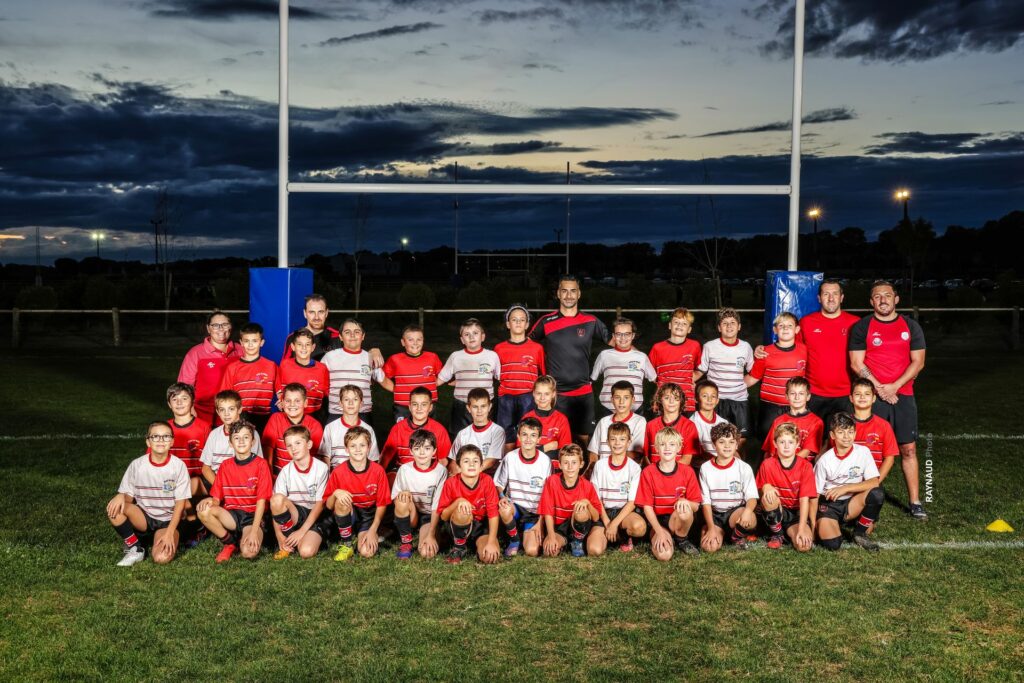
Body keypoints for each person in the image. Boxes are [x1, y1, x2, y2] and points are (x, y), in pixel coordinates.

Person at [848, 280, 928, 520]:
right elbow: (856, 363)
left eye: (887, 295)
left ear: (896, 299)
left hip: (902, 395)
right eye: (877, 296)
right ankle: (862, 496)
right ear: (871, 302)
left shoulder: (910, 326)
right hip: (873, 397)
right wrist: (880, 389)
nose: (883, 300)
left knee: (908, 448)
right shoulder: (863, 327)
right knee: (866, 448)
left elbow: (918, 362)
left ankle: (915, 501)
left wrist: (894, 386)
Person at [529, 275, 610, 448]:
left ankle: (584, 473)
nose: (568, 295)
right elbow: (526, 344)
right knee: (554, 441)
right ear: (558, 293)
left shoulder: (591, 321)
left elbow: (617, 341)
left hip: (582, 393)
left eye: (573, 291)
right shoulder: (546, 321)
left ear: (579, 294)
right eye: (564, 291)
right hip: (556, 395)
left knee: (583, 441)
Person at [106, 422, 190, 566]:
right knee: (114, 508)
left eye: (165, 437)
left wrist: (170, 532)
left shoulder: (178, 466)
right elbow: (128, 497)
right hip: (144, 518)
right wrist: (120, 495)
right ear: (148, 441)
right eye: (155, 436)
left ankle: (156, 538)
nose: (160, 441)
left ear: (172, 441)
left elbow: (180, 503)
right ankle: (135, 547)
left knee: (161, 558)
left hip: (167, 520)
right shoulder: (137, 465)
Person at [196, 420, 273, 563]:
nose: (241, 441)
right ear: (231, 443)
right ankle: (230, 543)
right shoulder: (225, 465)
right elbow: (216, 499)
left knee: (249, 553)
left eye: (246, 437)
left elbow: (261, 502)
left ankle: (245, 537)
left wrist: (255, 532)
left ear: (253, 441)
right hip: (232, 516)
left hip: (252, 517)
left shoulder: (261, 465)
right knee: (203, 510)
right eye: (237, 438)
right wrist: (209, 500)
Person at [814, 412, 884, 551]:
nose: (846, 437)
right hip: (829, 506)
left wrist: (845, 488)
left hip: (851, 503)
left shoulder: (863, 451)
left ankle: (860, 533)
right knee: (833, 544)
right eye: (841, 432)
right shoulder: (824, 460)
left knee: (877, 493)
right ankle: (829, 524)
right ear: (833, 435)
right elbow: (814, 495)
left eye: (850, 432)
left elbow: (874, 482)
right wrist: (810, 524)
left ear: (855, 433)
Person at [323, 426, 391, 561]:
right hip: (350, 513)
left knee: (366, 552)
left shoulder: (378, 471)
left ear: (369, 447)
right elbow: (330, 506)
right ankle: (347, 543)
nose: (358, 449)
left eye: (362, 445)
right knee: (341, 501)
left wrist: (373, 529)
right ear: (346, 449)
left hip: (368, 516)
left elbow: (382, 504)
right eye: (353, 446)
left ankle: (374, 533)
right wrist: (336, 492)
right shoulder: (339, 471)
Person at [635, 427, 702, 560]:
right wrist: (659, 532)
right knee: (664, 556)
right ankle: (665, 538)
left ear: (678, 448)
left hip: (677, 518)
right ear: (656, 448)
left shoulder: (687, 471)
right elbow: (647, 507)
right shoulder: (648, 472)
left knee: (685, 509)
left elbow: (696, 505)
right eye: (662, 444)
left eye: (672, 444)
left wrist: (686, 501)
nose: (667, 448)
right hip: (657, 522)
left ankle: (682, 539)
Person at [269, 426, 330, 560]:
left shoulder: (321, 468)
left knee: (306, 552)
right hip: (295, 514)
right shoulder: (286, 471)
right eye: (289, 445)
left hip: (315, 515)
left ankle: (303, 539)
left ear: (309, 444)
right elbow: (275, 507)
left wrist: (302, 532)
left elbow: (320, 505)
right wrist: (279, 536)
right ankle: (287, 540)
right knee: (277, 499)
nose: (293, 448)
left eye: (298, 443)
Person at [494, 418, 552, 558]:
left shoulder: (545, 461)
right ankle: (514, 540)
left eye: (533, 435)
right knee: (505, 508)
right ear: (518, 437)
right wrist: (503, 498)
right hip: (516, 508)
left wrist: (540, 523)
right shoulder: (510, 457)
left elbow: (548, 496)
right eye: (524, 434)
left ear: (539, 439)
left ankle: (524, 534)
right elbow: (498, 484)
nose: (528, 439)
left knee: (531, 551)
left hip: (534, 513)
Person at [745, 312, 807, 441]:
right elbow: (752, 378)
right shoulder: (765, 353)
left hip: (795, 406)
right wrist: (728, 387)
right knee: (767, 442)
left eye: (789, 325)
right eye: (781, 325)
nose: (785, 328)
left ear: (797, 329)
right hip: (770, 407)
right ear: (774, 329)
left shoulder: (804, 350)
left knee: (793, 442)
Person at [435, 444, 501, 564]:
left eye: (475, 461)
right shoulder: (451, 483)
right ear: (459, 466)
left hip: (480, 527)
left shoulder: (487, 481)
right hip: (458, 524)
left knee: (489, 558)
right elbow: (443, 516)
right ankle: (459, 547)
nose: (471, 464)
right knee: (463, 511)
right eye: (466, 461)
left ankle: (474, 545)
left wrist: (491, 542)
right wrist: (458, 502)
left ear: (481, 466)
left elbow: (493, 513)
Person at [587, 422, 646, 556]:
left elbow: (632, 503)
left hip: (623, 513)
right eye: (613, 439)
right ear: (607, 442)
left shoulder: (634, 468)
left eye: (622, 439)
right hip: (604, 512)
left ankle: (623, 535)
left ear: (629, 441)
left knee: (639, 527)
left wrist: (614, 524)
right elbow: (595, 498)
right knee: (594, 550)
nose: (617, 443)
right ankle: (609, 536)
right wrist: (607, 522)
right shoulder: (600, 466)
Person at [696, 308, 754, 443]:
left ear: (739, 326)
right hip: (717, 400)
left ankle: (739, 463)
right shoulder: (709, 346)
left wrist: (741, 385)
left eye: (733, 322)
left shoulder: (746, 347)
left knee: (741, 439)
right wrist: (687, 383)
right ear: (719, 327)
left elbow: (753, 372)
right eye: (725, 323)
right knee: (716, 438)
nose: (729, 326)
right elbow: (700, 371)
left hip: (739, 400)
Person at [756, 423, 816, 551]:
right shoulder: (767, 464)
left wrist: (801, 529)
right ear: (775, 443)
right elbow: (758, 493)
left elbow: (804, 500)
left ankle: (786, 531)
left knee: (803, 546)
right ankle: (777, 534)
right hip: (777, 509)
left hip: (795, 513)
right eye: (782, 442)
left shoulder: (806, 466)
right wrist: (765, 487)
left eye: (790, 442)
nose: (787, 446)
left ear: (797, 444)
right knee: (768, 497)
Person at [437, 318, 501, 438]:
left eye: (475, 333)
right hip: (462, 405)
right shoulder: (456, 356)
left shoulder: (492, 356)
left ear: (483, 337)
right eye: (467, 334)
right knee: (460, 437)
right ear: (462, 339)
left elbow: (501, 378)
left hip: (485, 405)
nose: (471, 337)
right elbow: (440, 379)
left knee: (485, 437)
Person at [699, 423, 758, 552]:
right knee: (709, 547)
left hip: (734, 513)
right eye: (722, 442)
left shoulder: (744, 467)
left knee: (751, 519)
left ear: (737, 445)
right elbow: (706, 503)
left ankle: (735, 537)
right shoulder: (706, 468)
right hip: (716, 515)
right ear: (714, 444)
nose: (727, 446)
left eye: (731, 442)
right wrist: (711, 528)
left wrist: (747, 512)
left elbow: (752, 498)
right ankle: (720, 532)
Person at [494, 304, 545, 451]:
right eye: (514, 319)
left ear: (527, 324)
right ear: (508, 324)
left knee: (527, 431)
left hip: (528, 396)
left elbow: (542, 374)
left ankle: (525, 461)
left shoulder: (537, 348)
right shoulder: (499, 348)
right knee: (506, 432)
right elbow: (496, 374)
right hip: (506, 396)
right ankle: (507, 462)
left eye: (522, 320)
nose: (518, 322)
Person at [391, 429, 448, 560]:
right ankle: (406, 542)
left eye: (427, 448)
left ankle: (437, 533)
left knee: (426, 553)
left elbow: (436, 507)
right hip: (412, 513)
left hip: (429, 515)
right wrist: (403, 494)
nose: (422, 453)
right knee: (401, 499)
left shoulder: (441, 472)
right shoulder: (404, 469)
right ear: (411, 451)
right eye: (417, 448)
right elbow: (395, 499)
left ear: (434, 451)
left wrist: (431, 535)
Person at [538, 444, 603, 557]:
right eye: (566, 463)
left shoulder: (587, 486)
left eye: (574, 462)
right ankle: (566, 543)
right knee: (549, 552)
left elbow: (596, 517)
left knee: (581, 510)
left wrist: (587, 503)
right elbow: (547, 512)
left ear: (581, 464)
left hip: (581, 526)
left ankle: (578, 541)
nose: (570, 467)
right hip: (560, 527)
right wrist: (552, 537)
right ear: (560, 465)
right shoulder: (552, 481)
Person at [177, 311, 239, 424]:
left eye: (225, 324)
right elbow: (184, 387)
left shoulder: (240, 350)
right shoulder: (195, 353)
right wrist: (189, 409)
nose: (220, 329)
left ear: (230, 326)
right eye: (215, 325)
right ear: (208, 328)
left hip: (234, 414)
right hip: (204, 415)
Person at [321, 318, 385, 427]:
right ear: (340, 337)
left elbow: (385, 382)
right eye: (347, 332)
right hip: (337, 412)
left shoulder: (370, 357)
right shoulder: (330, 357)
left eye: (357, 332)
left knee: (364, 443)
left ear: (363, 336)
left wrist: (408, 393)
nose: (352, 335)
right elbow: (320, 381)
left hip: (363, 413)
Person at [591, 316, 657, 418]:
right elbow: (592, 380)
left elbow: (655, 379)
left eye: (627, 334)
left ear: (633, 335)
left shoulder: (641, 357)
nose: (623, 338)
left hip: (635, 410)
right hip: (608, 409)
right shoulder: (604, 355)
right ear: (613, 335)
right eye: (618, 334)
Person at [218, 322, 277, 433]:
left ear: (261, 342)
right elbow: (224, 397)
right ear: (241, 343)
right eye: (246, 341)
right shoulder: (232, 368)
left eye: (254, 341)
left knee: (262, 449)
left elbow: (280, 391)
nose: (250, 345)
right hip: (241, 417)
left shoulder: (271, 366)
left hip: (264, 417)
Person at [199, 390, 264, 491]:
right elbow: (206, 468)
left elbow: (258, 467)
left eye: (231, 409)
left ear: (239, 410)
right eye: (222, 410)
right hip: (217, 482)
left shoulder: (252, 434)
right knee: (193, 484)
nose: (226, 414)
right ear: (217, 412)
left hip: (242, 483)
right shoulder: (214, 434)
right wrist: (220, 489)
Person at [379, 386, 452, 474]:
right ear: (409, 407)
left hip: (429, 472)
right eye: (415, 404)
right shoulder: (398, 428)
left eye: (424, 404)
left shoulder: (439, 430)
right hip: (404, 471)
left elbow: (443, 461)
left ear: (430, 407)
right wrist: (379, 476)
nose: (419, 408)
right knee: (391, 477)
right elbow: (386, 456)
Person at [848, 377, 900, 498]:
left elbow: (889, 459)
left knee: (875, 496)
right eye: (858, 394)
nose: (862, 397)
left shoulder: (884, 426)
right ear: (851, 398)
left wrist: (875, 482)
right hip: (846, 478)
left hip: (871, 479)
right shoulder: (844, 424)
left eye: (867, 394)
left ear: (873, 398)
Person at [380, 324, 442, 423]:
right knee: (404, 435)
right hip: (403, 406)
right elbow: (382, 378)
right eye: (410, 340)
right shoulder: (395, 359)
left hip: (428, 406)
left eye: (419, 339)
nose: (415, 343)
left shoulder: (432, 357)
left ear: (423, 340)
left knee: (429, 435)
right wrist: (396, 389)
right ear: (403, 342)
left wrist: (433, 385)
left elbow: (442, 377)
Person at [648, 307, 702, 415]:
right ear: (669, 325)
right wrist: (662, 383)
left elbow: (700, 369)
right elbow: (649, 372)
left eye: (684, 323)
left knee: (686, 431)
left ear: (689, 329)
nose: (679, 325)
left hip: (687, 402)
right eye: (676, 322)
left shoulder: (694, 346)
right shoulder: (657, 348)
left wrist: (688, 379)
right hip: (664, 400)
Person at [261, 383, 324, 475]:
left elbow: (314, 457)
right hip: (279, 473)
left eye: (297, 401)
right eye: (288, 401)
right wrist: (269, 475)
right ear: (282, 403)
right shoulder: (276, 419)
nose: (292, 404)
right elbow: (267, 450)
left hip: (304, 474)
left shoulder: (314, 425)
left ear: (305, 403)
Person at [760, 377, 824, 463]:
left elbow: (806, 451)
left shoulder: (816, 422)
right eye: (793, 393)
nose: (797, 397)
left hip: (802, 468)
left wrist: (786, 463)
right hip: (779, 465)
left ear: (808, 397)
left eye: (801, 394)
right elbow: (770, 451)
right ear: (786, 396)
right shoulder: (778, 421)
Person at [165, 382, 210, 499]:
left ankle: (185, 511)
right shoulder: (163, 428)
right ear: (169, 404)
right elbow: (151, 459)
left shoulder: (204, 427)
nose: (179, 402)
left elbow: (211, 461)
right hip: (170, 480)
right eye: (174, 399)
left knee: (175, 490)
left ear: (192, 401)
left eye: (184, 398)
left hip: (197, 480)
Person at [319, 385, 381, 469]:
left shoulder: (368, 429)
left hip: (360, 475)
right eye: (346, 399)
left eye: (355, 399)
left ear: (361, 404)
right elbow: (325, 457)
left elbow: (373, 459)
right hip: (337, 474)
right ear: (340, 403)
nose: (350, 403)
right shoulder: (330, 427)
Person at [276, 328, 331, 422]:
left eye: (307, 344)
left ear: (313, 347)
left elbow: (327, 392)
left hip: (315, 416)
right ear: (293, 346)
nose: (304, 348)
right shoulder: (285, 365)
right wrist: (282, 400)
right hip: (290, 414)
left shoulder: (322, 368)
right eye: (299, 344)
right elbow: (278, 388)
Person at [447, 388, 505, 475]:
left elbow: (491, 461)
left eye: (483, 406)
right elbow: (454, 462)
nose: (479, 411)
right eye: (475, 407)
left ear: (489, 407)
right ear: (468, 408)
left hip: (488, 477)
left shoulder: (498, 431)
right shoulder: (463, 434)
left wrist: (469, 472)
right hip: (465, 477)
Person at [588, 381, 646, 464]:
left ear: (633, 400)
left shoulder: (639, 421)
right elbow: (593, 453)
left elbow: (636, 454)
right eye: (617, 397)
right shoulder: (603, 422)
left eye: (626, 397)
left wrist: (613, 470)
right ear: (612, 400)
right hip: (603, 473)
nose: (621, 402)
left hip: (626, 473)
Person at [645, 382, 700, 465]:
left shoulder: (689, 426)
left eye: (676, 398)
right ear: (660, 400)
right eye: (667, 398)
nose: (671, 401)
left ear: (681, 400)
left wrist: (666, 471)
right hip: (654, 474)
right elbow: (645, 456)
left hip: (678, 475)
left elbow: (687, 459)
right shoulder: (650, 425)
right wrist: (654, 472)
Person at [520, 375, 572, 460]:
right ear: (533, 393)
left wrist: (534, 451)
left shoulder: (561, 419)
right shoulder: (527, 418)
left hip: (553, 468)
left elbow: (566, 453)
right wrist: (546, 447)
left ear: (553, 394)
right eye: (538, 393)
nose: (542, 398)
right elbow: (523, 452)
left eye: (547, 394)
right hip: (530, 468)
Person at [281, 293, 341, 362]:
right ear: (305, 313)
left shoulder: (338, 337)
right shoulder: (293, 338)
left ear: (326, 313)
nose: (316, 317)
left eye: (320, 312)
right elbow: (284, 367)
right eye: (311, 312)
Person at [689, 380, 729, 467]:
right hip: (701, 465)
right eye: (704, 396)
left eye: (713, 396)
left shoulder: (723, 422)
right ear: (696, 399)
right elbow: (696, 453)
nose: (709, 400)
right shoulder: (692, 422)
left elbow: (728, 447)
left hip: (721, 461)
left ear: (717, 400)